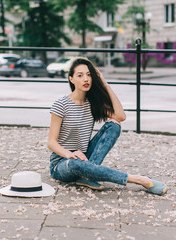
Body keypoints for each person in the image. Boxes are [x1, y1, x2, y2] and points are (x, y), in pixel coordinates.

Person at [47, 58, 168, 195]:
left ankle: (87, 176)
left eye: (89, 75)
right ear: (71, 79)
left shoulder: (92, 103)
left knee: (114, 125)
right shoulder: (61, 105)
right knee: (76, 163)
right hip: (62, 164)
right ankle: (140, 180)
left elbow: (120, 116)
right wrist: (71, 155)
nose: (85, 79)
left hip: (85, 157)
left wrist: (105, 84)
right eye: (80, 75)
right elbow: (51, 142)